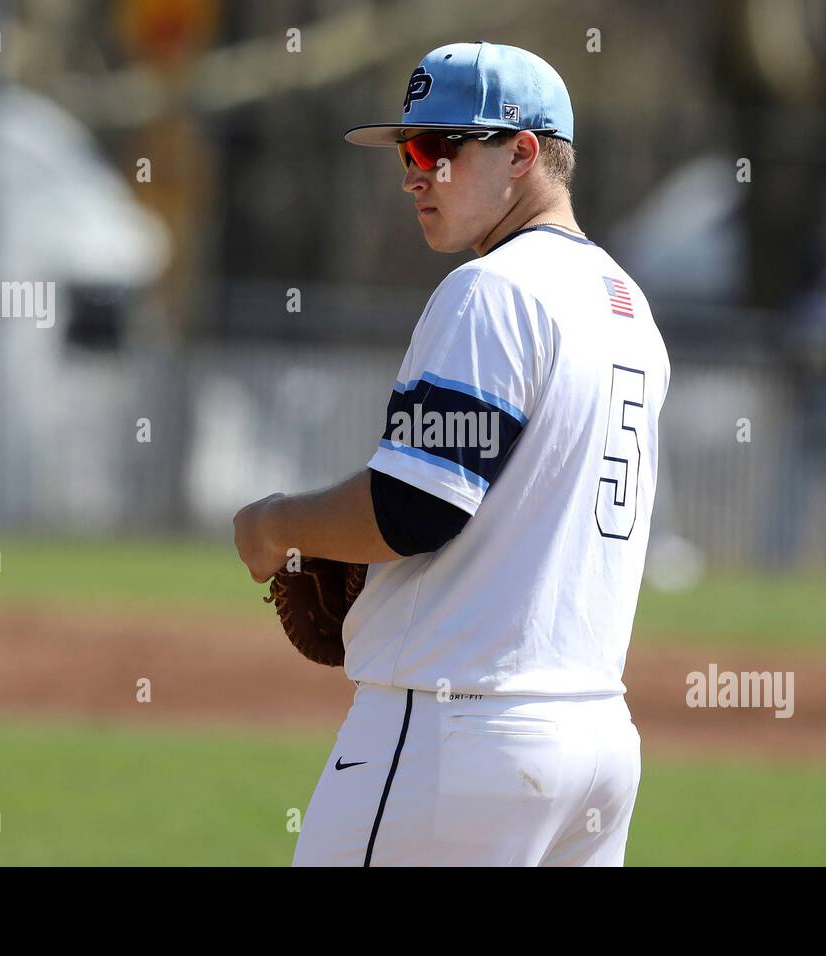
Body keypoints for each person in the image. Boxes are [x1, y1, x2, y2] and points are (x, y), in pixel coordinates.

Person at [233, 41, 670, 866]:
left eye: (440, 148)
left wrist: (275, 526)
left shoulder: (494, 290)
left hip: (456, 733)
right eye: (407, 150)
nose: (413, 174)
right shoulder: (626, 306)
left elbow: (415, 507)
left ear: (523, 153)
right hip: (595, 742)